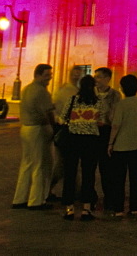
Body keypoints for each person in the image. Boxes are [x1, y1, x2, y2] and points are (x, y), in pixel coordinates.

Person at [11, 63, 56, 210]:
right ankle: (36, 200)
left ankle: (20, 198)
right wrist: (55, 128)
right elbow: (49, 112)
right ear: (38, 75)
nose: (49, 78)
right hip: (37, 128)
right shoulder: (41, 91)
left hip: (25, 128)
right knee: (40, 165)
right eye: (46, 75)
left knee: (27, 164)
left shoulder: (26, 89)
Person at [60, 74, 102, 221]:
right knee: (88, 174)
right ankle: (86, 208)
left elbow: (63, 117)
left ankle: (69, 208)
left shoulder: (72, 100)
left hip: (72, 139)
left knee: (70, 173)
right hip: (90, 141)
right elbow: (102, 120)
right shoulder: (98, 102)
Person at [108, 74, 137, 218]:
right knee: (136, 178)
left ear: (123, 88)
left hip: (121, 146)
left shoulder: (122, 104)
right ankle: (135, 207)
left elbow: (116, 125)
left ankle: (118, 209)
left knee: (119, 179)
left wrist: (110, 143)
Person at [50, 66, 83, 202]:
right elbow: (56, 110)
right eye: (74, 74)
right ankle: (48, 188)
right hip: (65, 130)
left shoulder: (76, 90)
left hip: (74, 129)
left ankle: (75, 191)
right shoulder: (63, 91)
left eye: (78, 74)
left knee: (70, 163)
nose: (76, 77)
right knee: (62, 164)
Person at [92, 66, 122, 209]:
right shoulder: (91, 93)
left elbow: (115, 115)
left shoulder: (115, 95)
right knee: (90, 166)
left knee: (106, 168)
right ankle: (90, 197)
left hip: (105, 132)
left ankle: (109, 197)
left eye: (99, 76)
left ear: (107, 79)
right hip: (92, 132)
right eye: (95, 76)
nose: (96, 79)